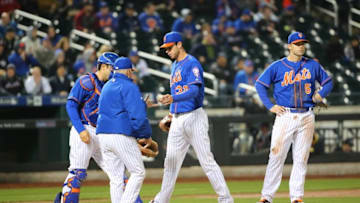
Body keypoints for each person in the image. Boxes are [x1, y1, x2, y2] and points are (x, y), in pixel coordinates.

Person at [151, 32, 233, 203]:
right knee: (170, 162)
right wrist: (170, 114)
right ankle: (161, 200)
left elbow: (194, 91)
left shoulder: (192, 63)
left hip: (194, 117)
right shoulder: (174, 66)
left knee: (206, 161)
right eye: (165, 49)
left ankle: (226, 199)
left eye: (169, 47)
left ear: (179, 44)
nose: (167, 51)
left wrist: (173, 98)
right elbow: (176, 92)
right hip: (178, 119)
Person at [255, 32, 333, 203]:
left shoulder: (312, 65)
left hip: (307, 115)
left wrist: (321, 94)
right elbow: (260, 85)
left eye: (303, 43)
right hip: (286, 115)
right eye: (297, 43)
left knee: (301, 157)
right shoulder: (277, 66)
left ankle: (296, 197)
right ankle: (266, 197)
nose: (301, 46)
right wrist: (270, 106)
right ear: (289, 46)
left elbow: (328, 82)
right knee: (276, 155)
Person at [53, 52, 124, 203]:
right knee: (77, 173)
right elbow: (71, 105)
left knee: (119, 176)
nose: (115, 73)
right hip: (85, 129)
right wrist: (80, 130)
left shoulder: (113, 86)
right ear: (103, 66)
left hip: (103, 134)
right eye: (113, 69)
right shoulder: (86, 81)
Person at [96, 57, 152, 202]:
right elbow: (138, 117)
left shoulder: (107, 85)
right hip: (119, 134)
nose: (132, 74)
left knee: (115, 179)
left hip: (103, 136)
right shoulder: (129, 86)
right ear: (128, 71)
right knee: (138, 172)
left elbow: (117, 107)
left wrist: (141, 105)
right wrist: (145, 135)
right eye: (131, 71)